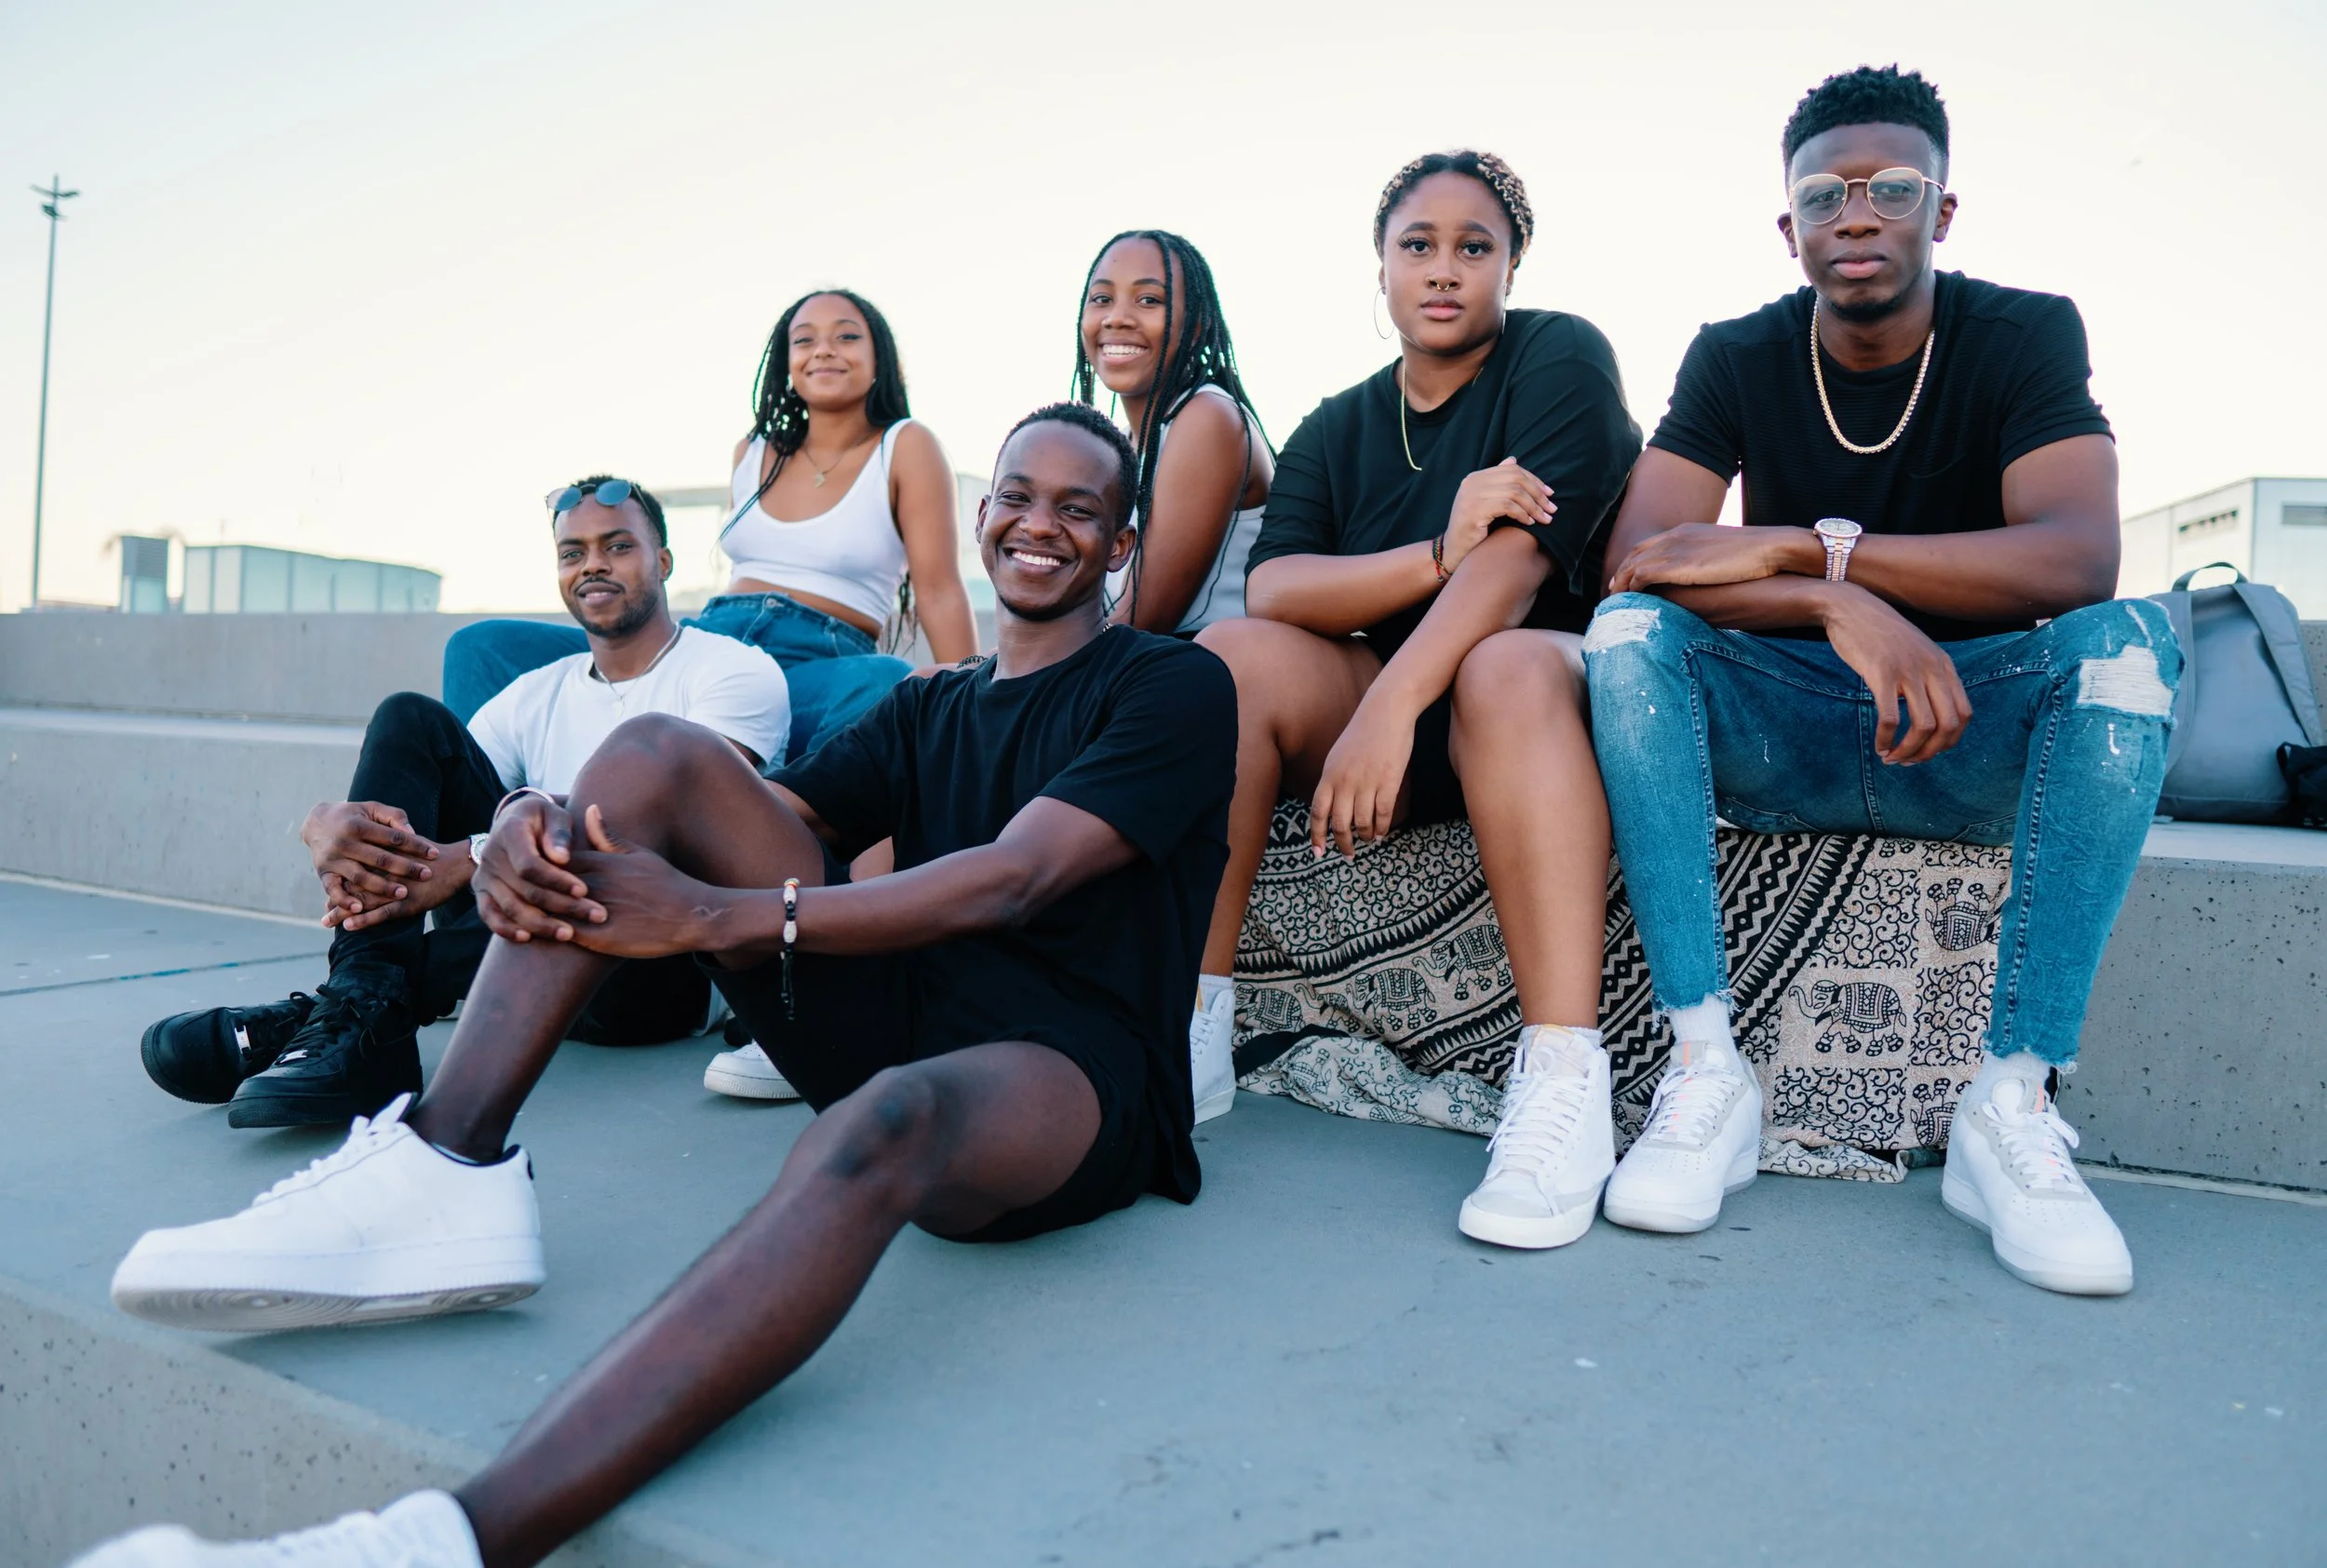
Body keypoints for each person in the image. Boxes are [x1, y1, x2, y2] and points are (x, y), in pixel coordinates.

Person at [82, 405, 1235, 1568]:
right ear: (984, 516)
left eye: (1078, 509)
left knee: (890, 1118)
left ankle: (439, 1541)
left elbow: (1015, 879)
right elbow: (759, 813)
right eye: (1019, 497)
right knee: (650, 755)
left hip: (1066, 1076)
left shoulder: (1171, 687)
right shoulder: (929, 703)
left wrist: (709, 916)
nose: (1040, 524)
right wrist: (529, 824)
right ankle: (448, 1160)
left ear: (1122, 542)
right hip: (906, 1005)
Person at [1580, 65, 2176, 1295]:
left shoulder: (2023, 332)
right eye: (1825, 194)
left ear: (1942, 212)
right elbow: (1641, 569)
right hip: (1788, 724)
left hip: (1965, 729)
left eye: (1892, 188)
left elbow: (2077, 558)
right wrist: (1830, 604)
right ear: (1788, 224)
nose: (1857, 213)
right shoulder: (1737, 355)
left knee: (2127, 648)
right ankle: (1706, 1073)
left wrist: (1813, 544)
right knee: (1630, 642)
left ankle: (2008, 1104)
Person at [1190, 150, 1643, 1243]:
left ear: (1510, 268)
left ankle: (1563, 1082)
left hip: (1534, 704)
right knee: (1230, 654)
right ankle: (1189, 1026)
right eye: (1418, 245)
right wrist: (1437, 546)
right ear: (1381, 269)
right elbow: (1279, 584)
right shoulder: (1337, 421)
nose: (1444, 269)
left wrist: (1389, 706)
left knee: (1500, 660)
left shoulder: (1556, 354)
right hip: (1385, 701)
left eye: (1473, 247)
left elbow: (1521, 565)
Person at [136, 477, 791, 1128]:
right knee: (411, 720)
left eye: (618, 546)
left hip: (657, 964)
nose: (593, 563)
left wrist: (478, 854)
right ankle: (364, 1018)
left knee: (592, 858)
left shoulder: (734, 671)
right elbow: (423, 804)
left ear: (664, 562)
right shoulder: (535, 692)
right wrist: (334, 822)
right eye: (573, 552)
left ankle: (341, 1011)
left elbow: (681, 821)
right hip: (522, 946)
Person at [440, 289, 978, 760]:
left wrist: (974, 700)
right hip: (705, 640)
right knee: (481, 648)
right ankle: (482, 847)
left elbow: (939, 589)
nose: (824, 350)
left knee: (885, 684)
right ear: (786, 362)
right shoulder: (752, 453)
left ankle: (789, 849)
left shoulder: (906, 446)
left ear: (878, 356)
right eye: (805, 339)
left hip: (819, 660)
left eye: (846, 336)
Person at [1073, 228, 1274, 634]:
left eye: (1149, 300)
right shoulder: (1122, 446)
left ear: (1196, 325)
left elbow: (1142, 621)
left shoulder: (1207, 417)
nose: (1117, 318)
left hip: (1209, 671)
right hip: (1138, 660)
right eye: (1102, 299)